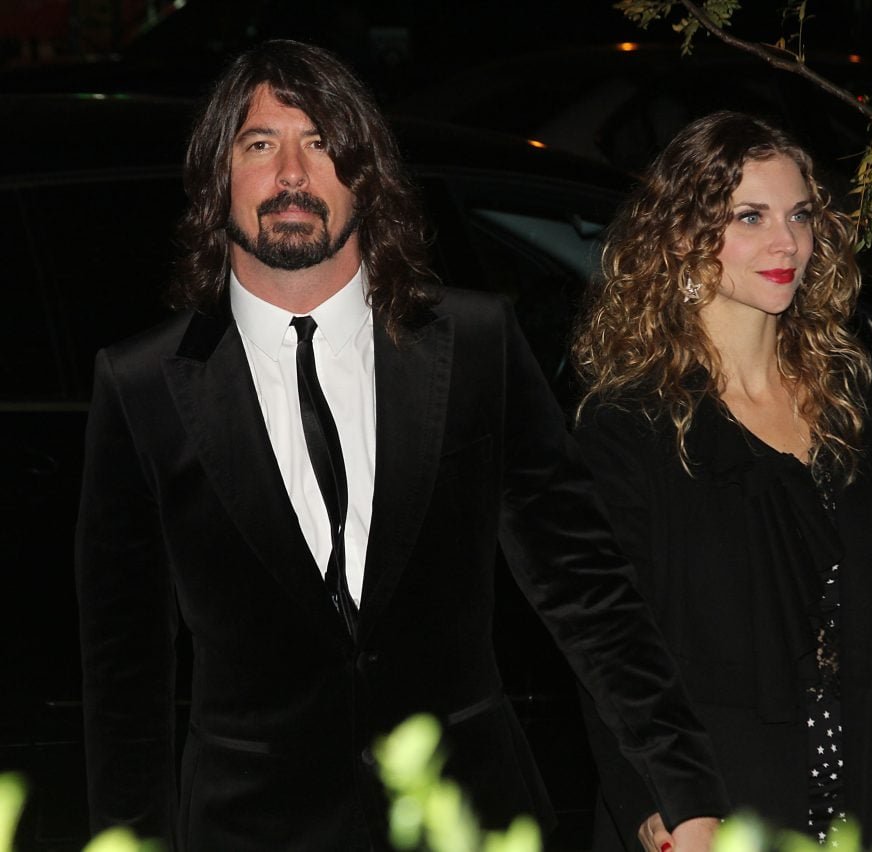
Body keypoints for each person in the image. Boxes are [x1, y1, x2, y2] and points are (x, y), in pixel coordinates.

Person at [74, 40, 728, 852]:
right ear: (218, 178)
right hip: (250, 831)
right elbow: (123, 680)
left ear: (368, 175)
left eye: (321, 143)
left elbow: (586, 587)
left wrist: (686, 787)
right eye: (259, 144)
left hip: (467, 819)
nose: (291, 173)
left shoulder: (476, 345)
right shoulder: (142, 387)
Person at [571, 111, 872, 848]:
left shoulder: (859, 407)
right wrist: (664, 800)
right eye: (751, 216)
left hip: (862, 800)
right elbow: (612, 652)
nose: (787, 243)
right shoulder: (632, 428)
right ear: (683, 236)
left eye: (800, 216)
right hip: (716, 808)